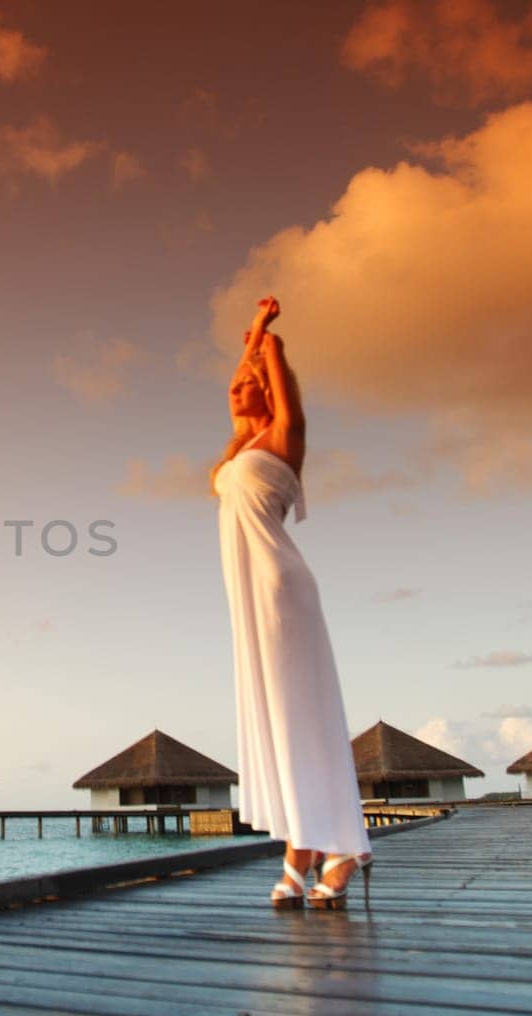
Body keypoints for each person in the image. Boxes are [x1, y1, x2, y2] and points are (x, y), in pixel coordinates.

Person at [211, 296, 372, 909]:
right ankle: (303, 848)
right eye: (231, 384)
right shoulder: (231, 458)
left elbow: (272, 365)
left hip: (282, 591)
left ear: (269, 392)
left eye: (246, 383)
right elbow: (239, 395)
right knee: (280, 724)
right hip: (247, 598)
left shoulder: (285, 436)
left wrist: (262, 335)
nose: (235, 389)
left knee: (303, 718)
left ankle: (338, 848)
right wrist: (247, 344)